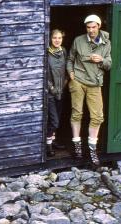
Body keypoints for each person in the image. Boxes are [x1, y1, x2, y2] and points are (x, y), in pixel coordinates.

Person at [66, 14, 111, 166]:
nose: (91, 30)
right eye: (88, 27)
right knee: (77, 113)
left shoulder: (106, 43)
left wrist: (102, 60)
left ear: (99, 26)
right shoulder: (78, 40)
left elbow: (109, 64)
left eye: (94, 27)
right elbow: (70, 59)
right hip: (78, 80)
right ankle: (77, 146)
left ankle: (92, 149)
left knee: (97, 116)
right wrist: (71, 73)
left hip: (95, 83)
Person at [46, 29, 68, 157]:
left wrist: (65, 81)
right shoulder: (47, 53)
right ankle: (48, 145)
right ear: (50, 38)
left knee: (57, 119)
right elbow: (46, 74)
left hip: (61, 91)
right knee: (54, 121)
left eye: (59, 38)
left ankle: (53, 141)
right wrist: (52, 89)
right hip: (51, 92)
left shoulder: (63, 51)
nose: (57, 40)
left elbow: (65, 69)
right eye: (55, 38)